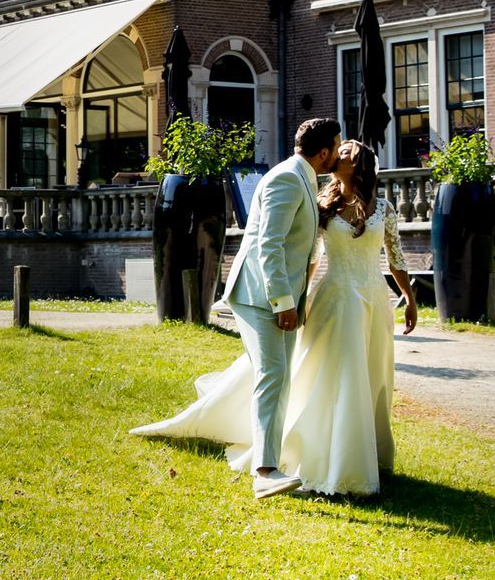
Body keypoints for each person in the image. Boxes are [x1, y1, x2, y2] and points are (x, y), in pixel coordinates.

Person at [133, 136, 417, 497]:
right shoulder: (323, 205)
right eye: (338, 149)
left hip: (374, 300)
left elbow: (397, 258)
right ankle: (325, 458)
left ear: (361, 165)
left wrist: (408, 298)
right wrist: (295, 301)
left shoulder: (385, 209)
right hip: (335, 299)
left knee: (372, 376)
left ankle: (371, 454)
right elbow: (308, 257)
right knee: (336, 376)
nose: (339, 156)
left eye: (347, 153)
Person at [133, 118, 338, 499]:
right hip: (260, 296)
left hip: (283, 298)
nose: (339, 154)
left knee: (278, 379)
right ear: (323, 151)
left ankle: (268, 459)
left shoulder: (305, 177)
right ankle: (265, 472)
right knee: (272, 377)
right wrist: (282, 302)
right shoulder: (286, 178)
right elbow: (268, 245)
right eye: (336, 147)